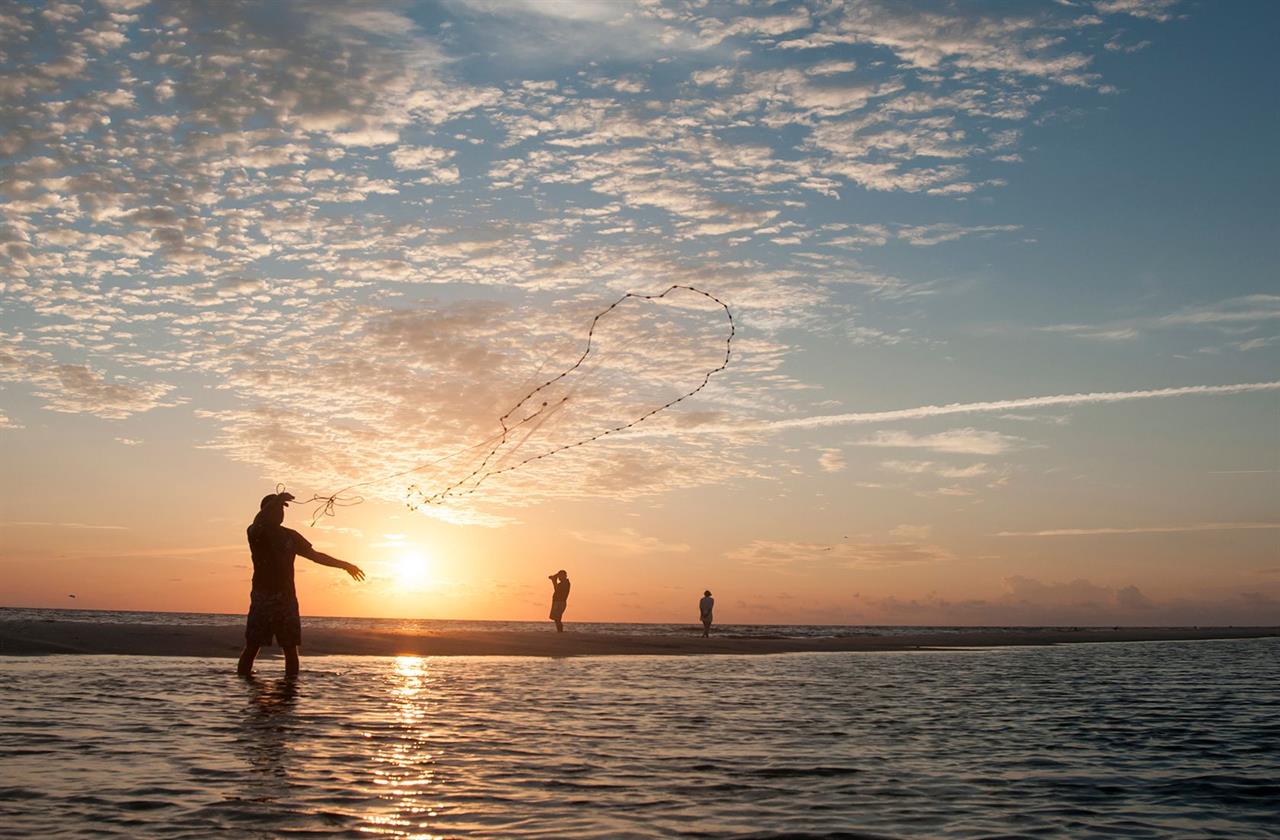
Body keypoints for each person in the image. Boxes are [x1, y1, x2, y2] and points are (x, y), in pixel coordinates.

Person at [237, 491, 365, 676]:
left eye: (282, 508)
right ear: (266, 510)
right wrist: (275, 500)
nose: (280, 512)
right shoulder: (256, 532)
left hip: (287, 599)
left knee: (290, 648)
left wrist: (344, 565)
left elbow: (316, 556)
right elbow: (259, 520)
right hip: (262, 597)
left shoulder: (291, 536)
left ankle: (290, 690)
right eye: (276, 508)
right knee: (253, 646)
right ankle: (244, 685)